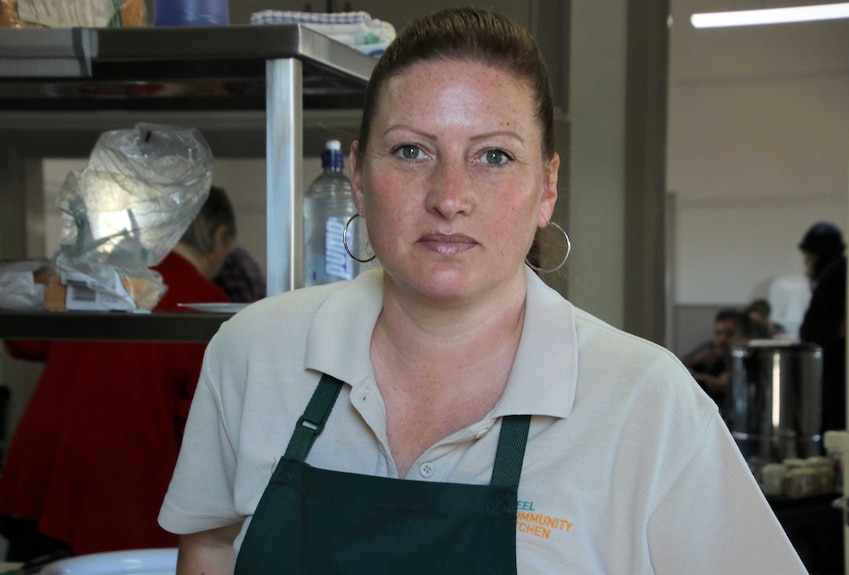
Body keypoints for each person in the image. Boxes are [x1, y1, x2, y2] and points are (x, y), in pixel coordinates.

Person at [158, 8, 806, 574]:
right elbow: (211, 547)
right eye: (411, 151)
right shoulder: (252, 353)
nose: (449, 198)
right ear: (358, 176)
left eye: (493, 156)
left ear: (547, 187)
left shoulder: (645, 403)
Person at [0, 186, 236, 562]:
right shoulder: (204, 303)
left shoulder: (103, 276)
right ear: (220, 237)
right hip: (116, 504)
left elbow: (24, 342)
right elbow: (202, 430)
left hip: (37, 487)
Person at [798, 221, 848, 433]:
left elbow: (826, 328)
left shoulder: (836, 275)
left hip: (836, 377)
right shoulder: (836, 273)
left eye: (809, 256)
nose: (807, 263)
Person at [681, 308, 749, 408]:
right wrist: (697, 359)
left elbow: (725, 385)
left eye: (729, 334)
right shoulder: (711, 354)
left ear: (744, 337)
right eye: (718, 333)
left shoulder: (747, 362)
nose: (721, 339)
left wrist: (702, 378)